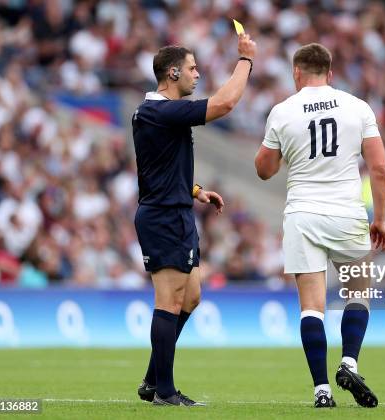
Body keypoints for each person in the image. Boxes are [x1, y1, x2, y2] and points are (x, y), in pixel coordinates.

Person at [254, 43, 385, 408]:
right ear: (330, 74)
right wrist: (379, 218)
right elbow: (379, 168)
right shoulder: (357, 107)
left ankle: (321, 391)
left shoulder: (282, 111)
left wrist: (280, 148)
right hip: (346, 212)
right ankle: (349, 362)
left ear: (296, 73)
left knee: (311, 308)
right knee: (358, 294)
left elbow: (264, 170)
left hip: (303, 215)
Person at [133, 33, 256, 406]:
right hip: (163, 217)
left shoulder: (162, 115)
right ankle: (164, 392)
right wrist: (245, 61)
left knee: (191, 297)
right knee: (168, 300)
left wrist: (195, 189)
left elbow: (162, 166)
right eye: (191, 68)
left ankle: (154, 379)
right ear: (172, 73)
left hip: (179, 210)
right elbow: (225, 103)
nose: (197, 74)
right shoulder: (158, 110)